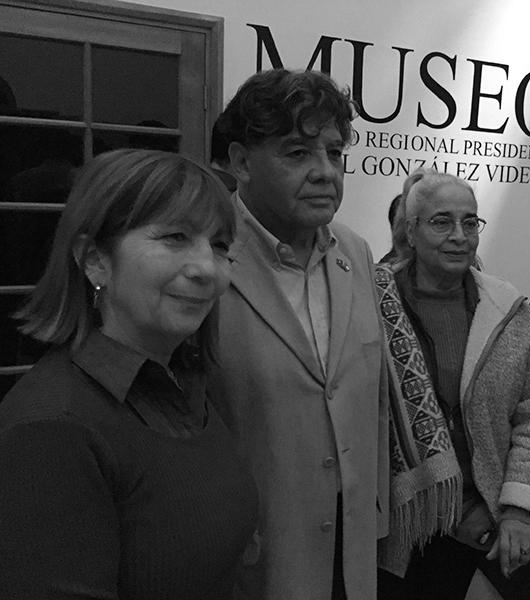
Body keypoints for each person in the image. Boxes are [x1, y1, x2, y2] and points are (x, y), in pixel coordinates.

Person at [0, 149, 259, 599]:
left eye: (219, 245)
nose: (208, 270)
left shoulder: (182, 382)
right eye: (175, 237)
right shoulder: (54, 428)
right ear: (94, 259)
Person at [209, 69, 388, 600]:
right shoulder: (205, 258)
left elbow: (371, 401)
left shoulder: (354, 251)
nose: (325, 172)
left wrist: (375, 521)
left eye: (334, 153)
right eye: (297, 153)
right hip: (254, 559)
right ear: (242, 162)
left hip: (352, 557)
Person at [375, 169, 530, 600]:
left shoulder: (513, 317)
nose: (459, 236)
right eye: (441, 222)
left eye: (470, 222)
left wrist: (520, 511)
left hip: (479, 523)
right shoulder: (369, 303)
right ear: (410, 232)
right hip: (389, 522)